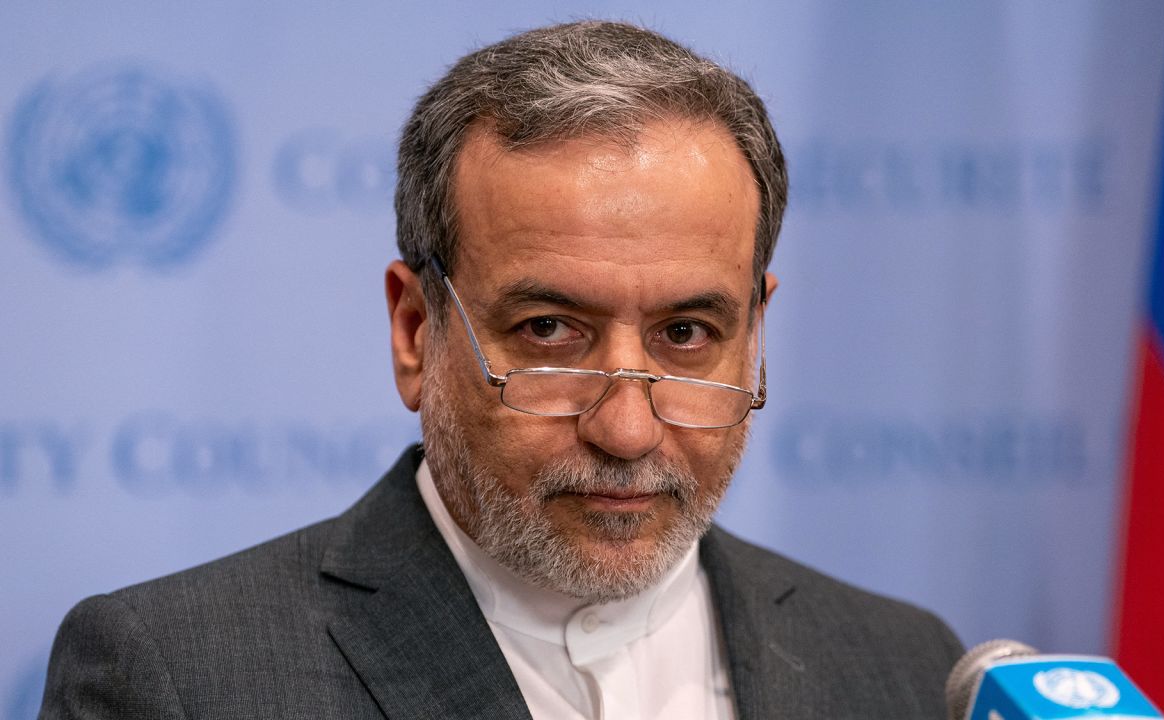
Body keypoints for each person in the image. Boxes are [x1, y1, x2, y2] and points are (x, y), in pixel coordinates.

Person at [39, 20, 962, 719]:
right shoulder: (178, 678)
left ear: (756, 330)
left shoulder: (902, 667)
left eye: (687, 334)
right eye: (550, 329)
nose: (628, 430)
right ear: (414, 330)